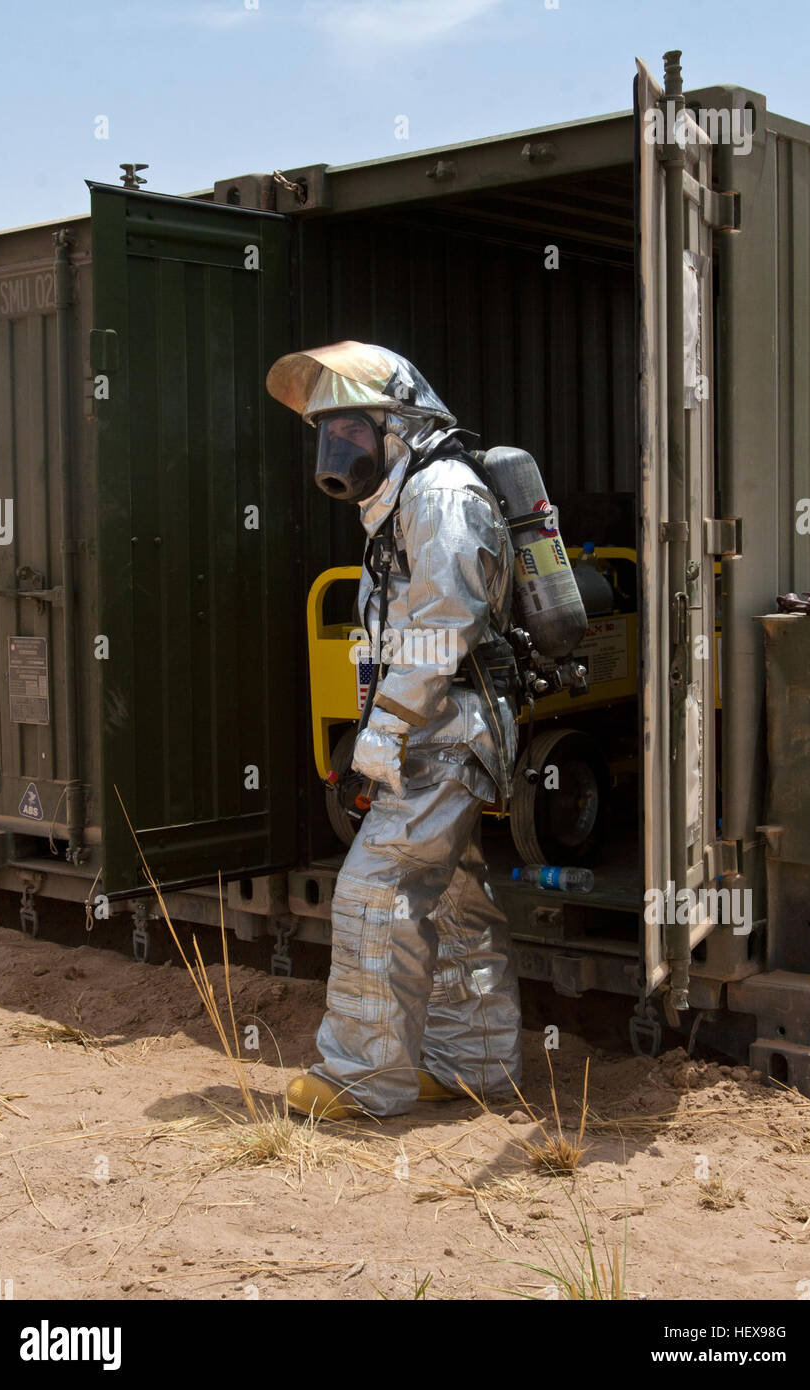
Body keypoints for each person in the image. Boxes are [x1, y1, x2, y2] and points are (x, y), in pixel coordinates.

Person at [265, 341, 522, 1120]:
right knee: (453, 904)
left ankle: (359, 1075)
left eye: (351, 432)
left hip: (444, 733)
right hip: (440, 731)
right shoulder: (408, 498)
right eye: (328, 435)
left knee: (376, 893)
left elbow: (445, 623)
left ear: (399, 427)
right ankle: (471, 1062)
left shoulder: (440, 494)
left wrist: (386, 732)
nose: (337, 452)